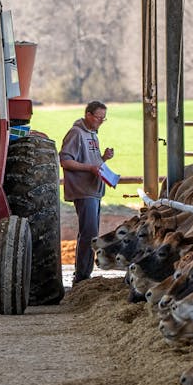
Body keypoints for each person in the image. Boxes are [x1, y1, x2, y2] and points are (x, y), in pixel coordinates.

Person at [59, 101, 114, 284]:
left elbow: (93, 161)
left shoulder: (92, 134)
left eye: (103, 118)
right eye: (99, 117)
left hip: (94, 189)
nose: (101, 121)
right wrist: (90, 168)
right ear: (88, 115)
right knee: (89, 234)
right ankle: (81, 277)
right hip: (84, 190)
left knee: (91, 233)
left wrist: (103, 158)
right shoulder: (76, 133)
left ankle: (84, 274)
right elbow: (65, 161)